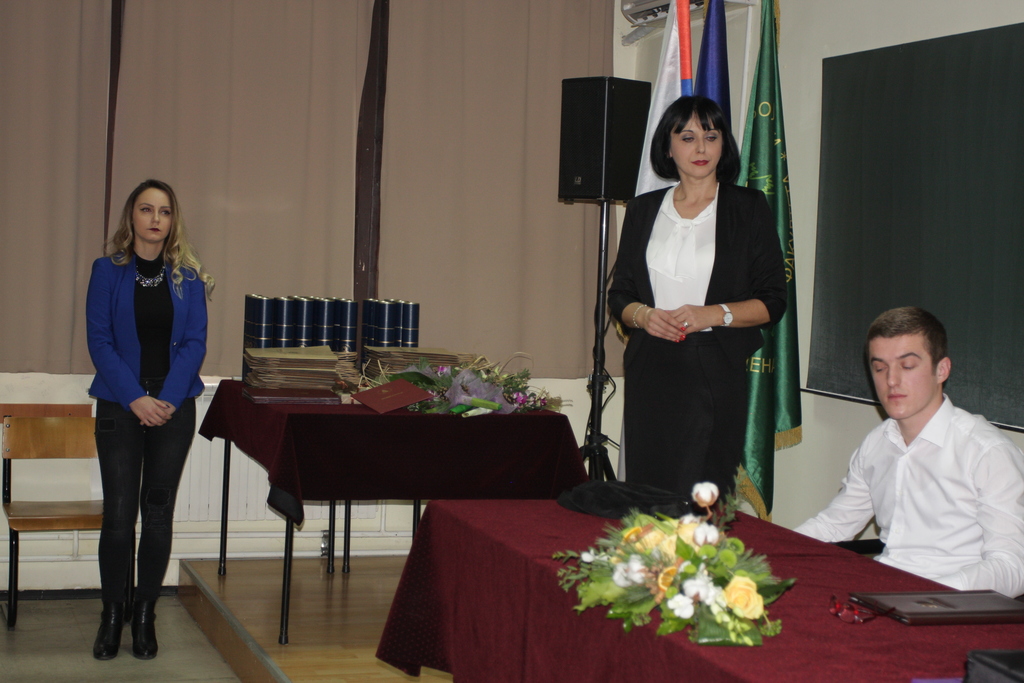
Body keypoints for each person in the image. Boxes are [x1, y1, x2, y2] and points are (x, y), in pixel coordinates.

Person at [608, 96, 787, 499]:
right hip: (650, 365)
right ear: (668, 147)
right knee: (648, 491)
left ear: (724, 144)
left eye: (711, 135)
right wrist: (643, 316)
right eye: (687, 137)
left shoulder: (747, 208)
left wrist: (713, 314)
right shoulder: (642, 209)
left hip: (713, 366)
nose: (701, 148)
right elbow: (620, 293)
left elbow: (773, 299)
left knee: (702, 494)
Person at [796, 307, 1024, 597]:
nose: (891, 380)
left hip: (953, 604)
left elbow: (1013, 567)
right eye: (880, 368)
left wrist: (927, 593)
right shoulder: (877, 443)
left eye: (907, 366)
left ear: (941, 370)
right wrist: (766, 552)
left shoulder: (987, 453)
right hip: (883, 591)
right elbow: (834, 524)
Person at [86, 179, 214, 660]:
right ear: (132, 217)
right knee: (119, 516)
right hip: (120, 405)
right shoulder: (106, 271)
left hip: (173, 408)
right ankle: (111, 616)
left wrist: (167, 399)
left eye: (164, 211)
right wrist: (136, 399)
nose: (155, 219)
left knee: (158, 513)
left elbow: (195, 344)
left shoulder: (188, 279)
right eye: (146, 209)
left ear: (172, 221)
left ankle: (144, 615)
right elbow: (100, 341)